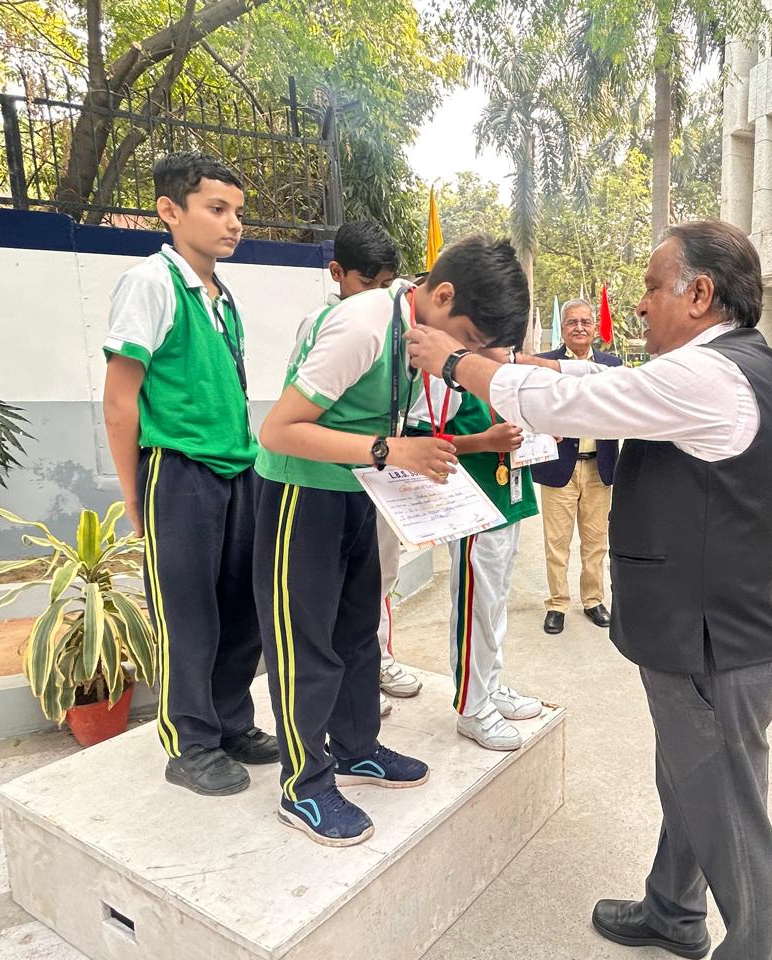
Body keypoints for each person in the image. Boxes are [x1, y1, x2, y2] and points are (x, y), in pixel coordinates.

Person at [406, 219, 772, 960]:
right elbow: (595, 382)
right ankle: (674, 912)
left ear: (700, 294)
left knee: (728, 813)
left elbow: (569, 405)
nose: (641, 305)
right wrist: (518, 360)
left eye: (652, 287)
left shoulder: (710, 375)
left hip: (715, 645)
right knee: (690, 784)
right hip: (704, 636)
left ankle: (755, 948)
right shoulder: (726, 362)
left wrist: (456, 363)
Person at [253, 235, 529, 846]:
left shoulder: (417, 331)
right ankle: (303, 784)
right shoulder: (363, 326)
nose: (463, 356)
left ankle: (356, 749)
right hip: (303, 493)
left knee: (357, 630)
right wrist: (388, 450)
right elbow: (278, 430)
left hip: (361, 490)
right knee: (306, 642)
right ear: (443, 296)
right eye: (468, 339)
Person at [102, 152, 278, 796]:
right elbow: (120, 401)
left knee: (242, 609)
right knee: (188, 614)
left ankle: (231, 723)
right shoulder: (151, 283)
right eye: (217, 209)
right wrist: (134, 493)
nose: (233, 224)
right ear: (170, 211)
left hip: (238, 470)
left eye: (238, 212)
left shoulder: (222, 297)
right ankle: (191, 743)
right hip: (178, 473)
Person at [292, 221, 420, 719]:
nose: (376, 294)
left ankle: (374, 665)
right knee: (331, 594)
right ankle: (341, 685)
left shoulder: (396, 323)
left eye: (386, 284)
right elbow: (303, 413)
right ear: (336, 272)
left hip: (380, 473)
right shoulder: (324, 323)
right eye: (366, 283)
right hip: (330, 480)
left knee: (378, 577)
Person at [406, 377, 543, 751]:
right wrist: (484, 442)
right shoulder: (448, 376)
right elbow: (417, 441)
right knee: (476, 607)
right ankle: (472, 706)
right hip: (473, 505)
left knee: (496, 604)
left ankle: (489, 686)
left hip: (509, 496)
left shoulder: (506, 372)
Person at [533, 298, 622, 635]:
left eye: (585, 321)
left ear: (594, 327)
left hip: (600, 467)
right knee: (556, 542)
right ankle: (557, 604)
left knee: (595, 541)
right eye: (572, 322)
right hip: (559, 467)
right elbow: (532, 409)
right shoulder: (545, 365)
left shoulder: (612, 365)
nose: (579, 327)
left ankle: (593, 600)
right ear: (564, 328)